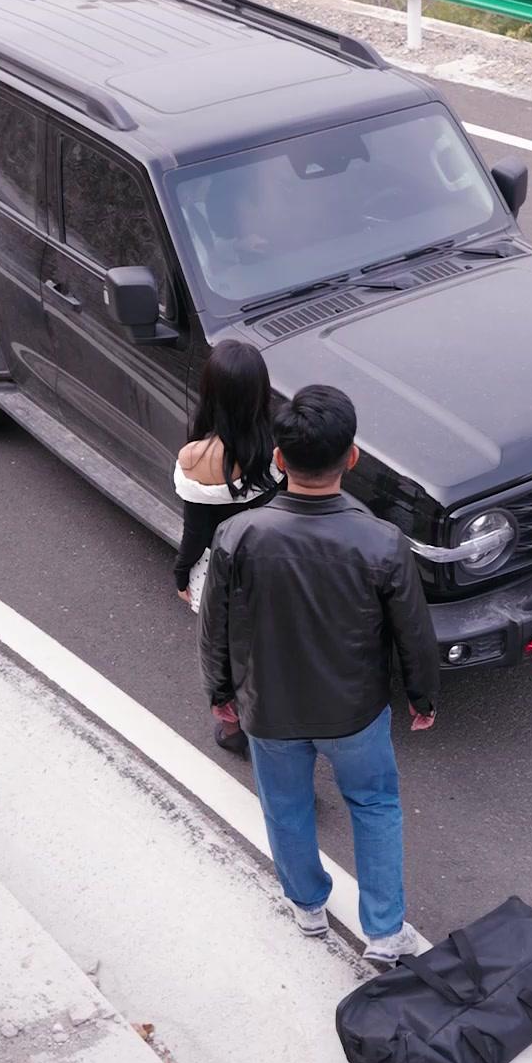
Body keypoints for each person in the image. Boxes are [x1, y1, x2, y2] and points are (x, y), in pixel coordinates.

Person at [199, 383, 439, 965]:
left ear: (280, 459)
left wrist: (222, 694)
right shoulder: (381, 542)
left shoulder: (239, 535)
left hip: (270, 710)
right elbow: (413, 631)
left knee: (285, 807)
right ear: (351, 456)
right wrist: (422, 696)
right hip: (355, 712)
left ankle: (308, 909)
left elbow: (214, 626)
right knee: (375, 805)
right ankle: (384, 934)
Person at [173, 339, 279, 756]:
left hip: (221, 573)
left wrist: (181, 573)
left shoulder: (196, 456)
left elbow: (195, 532)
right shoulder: (276, 444)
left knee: (223, 654)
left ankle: (235, 728)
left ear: (210, 392)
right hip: (271, 563)